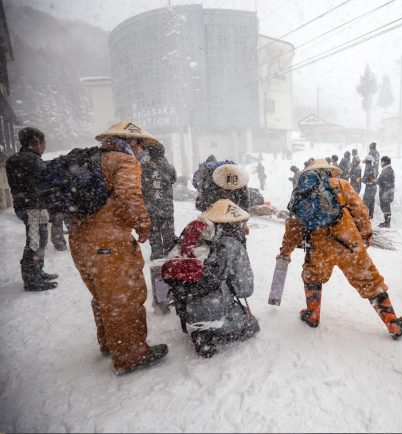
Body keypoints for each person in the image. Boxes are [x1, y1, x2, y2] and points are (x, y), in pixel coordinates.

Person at [68, 121, 168, 375]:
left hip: (80, 240)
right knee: (126, 297)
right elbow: (129, 195)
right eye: (141, 145)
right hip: (109, 240)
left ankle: (109, 343)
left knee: (103, 294)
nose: (142, 151)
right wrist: (143, 224)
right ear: (131, 141)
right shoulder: (123, 161)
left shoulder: (89, 160)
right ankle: (130, 355)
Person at [277, 159, 402, 339]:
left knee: (312, 275)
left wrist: (286, 250)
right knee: (369, 280)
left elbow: (294, 225)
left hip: (318, 245)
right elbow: (361, 211)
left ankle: (313, 314)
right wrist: (366, 234)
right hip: (348, 241)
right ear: (328, 172)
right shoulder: (341, 185)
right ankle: (392, 322)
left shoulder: (303, 192)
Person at [164, 199, 259, 358]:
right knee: (252, 327)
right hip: (212, 307)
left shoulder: (194, 231)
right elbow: (245, 289)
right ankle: (208, 333)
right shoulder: (231, 241)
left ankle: (201, 327)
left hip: (185, 304)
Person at [6, 127, 58, 291]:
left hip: (24, 206)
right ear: (36, 143)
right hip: (33, 208)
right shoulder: (33, 160)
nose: (44, 146)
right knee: (35, 242)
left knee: (39, 239)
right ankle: (31, 279)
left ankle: (37, 271)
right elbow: (45, 183)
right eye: (43, 142)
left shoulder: (13, 159)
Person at [140, 142, 177, 260]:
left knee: (154, 230)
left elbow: (140, 184)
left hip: (150, 205)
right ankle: (169, 251)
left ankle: (156, 253)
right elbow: (173, 179)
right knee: (168, 230)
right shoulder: (169, 167)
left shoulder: (143, 167)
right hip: (166, 205)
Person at [377, 156, 395, 228]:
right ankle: (386, 222)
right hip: (388, 191)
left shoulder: (387, 170)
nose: (380, 163)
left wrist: (373, 181)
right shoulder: (389, 169)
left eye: (381, 162)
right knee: (386, 207)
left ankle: (387, 223)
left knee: (386, 207)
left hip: (386, 192)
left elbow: (380, 180)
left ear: (384, 162)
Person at [361, 154, 378, 219]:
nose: (365, 164)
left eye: (366, 162)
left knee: (366, 201)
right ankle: (370, 215)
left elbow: (366, 177)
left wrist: (361, 179)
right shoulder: (373, 167)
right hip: (373, 187)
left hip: (370, 187)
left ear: (368, 162)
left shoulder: (369, 167)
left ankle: (364, 217)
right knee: (371, 201)